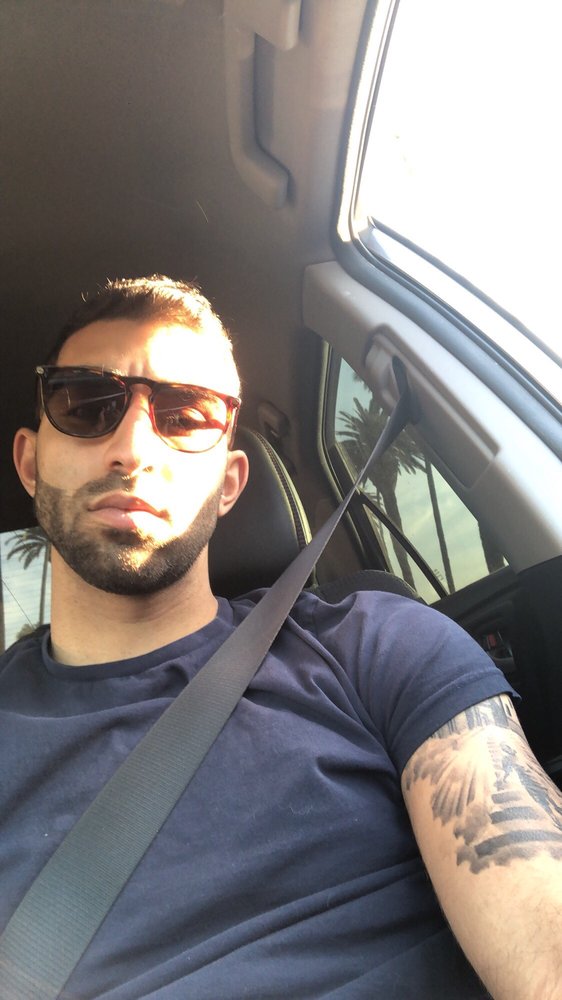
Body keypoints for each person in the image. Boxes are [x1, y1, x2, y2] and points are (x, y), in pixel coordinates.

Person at [1, 275, 561, 1000]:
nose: (131, 448)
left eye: (186, 415)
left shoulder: (375, 645)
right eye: (85, 406)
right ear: (29, 462)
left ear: (231, 485)